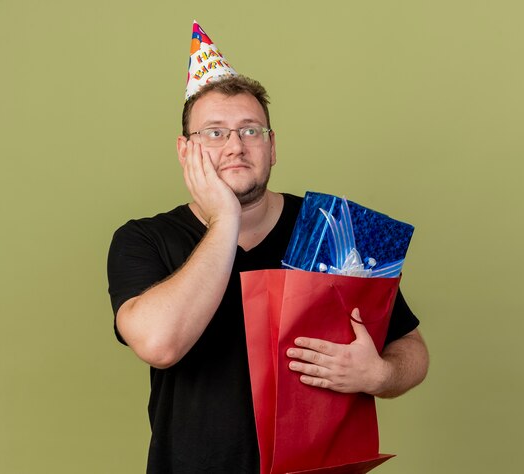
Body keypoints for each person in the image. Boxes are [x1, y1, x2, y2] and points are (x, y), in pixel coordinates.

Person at [107, 22, 428, 474]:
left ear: (272, 146)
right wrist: (225, 219)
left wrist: (380, 375)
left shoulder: (333, 229)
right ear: (185, 151)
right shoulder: (143, 238)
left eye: (251, 131)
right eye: (214, 133)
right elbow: (160, 344)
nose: (235, 146)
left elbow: (412, 349)